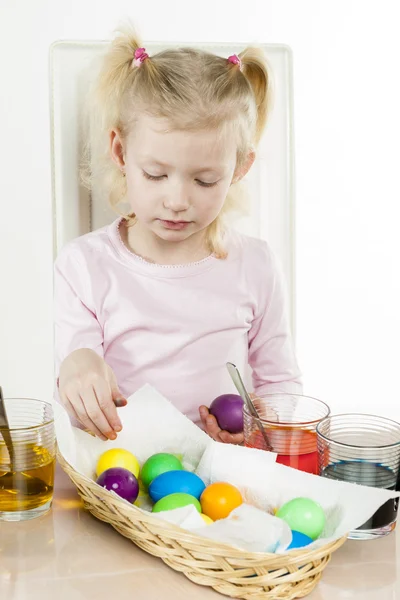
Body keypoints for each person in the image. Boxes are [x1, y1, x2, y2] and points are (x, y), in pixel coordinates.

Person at [54, 27, 302, 446]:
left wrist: (261, 431)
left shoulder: (255, 265)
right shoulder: (85, 265)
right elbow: (77, 371)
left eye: (205, 181)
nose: (177, 201)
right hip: (118, 472)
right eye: (155, 174)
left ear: (240, 168)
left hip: (220, 481)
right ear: (120, 153)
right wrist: (76, 366)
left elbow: (280, 382)